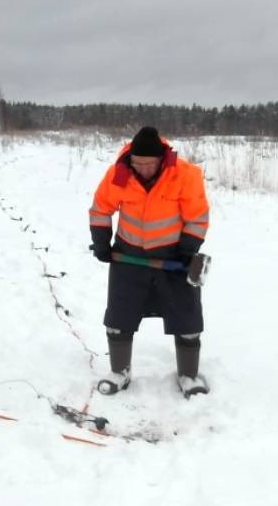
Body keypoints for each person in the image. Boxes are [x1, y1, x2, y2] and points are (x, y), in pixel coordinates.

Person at [89, 126, 210, 398]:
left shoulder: (184, 174)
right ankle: (120, 371)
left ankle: (189, 376)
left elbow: (198, 217)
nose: (142, 169)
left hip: (174, 257)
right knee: (119, 317)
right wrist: (101, 242)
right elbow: (100, 209)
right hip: (128, 255)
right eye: (137, 163)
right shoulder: (119, 173)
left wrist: (187, 248)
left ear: (161, 159)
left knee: (187, 319)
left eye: (148, 164)